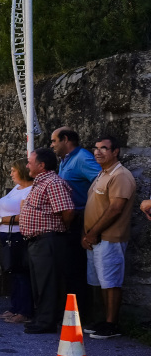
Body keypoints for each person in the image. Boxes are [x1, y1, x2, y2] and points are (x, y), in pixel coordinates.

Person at [81, 135, 137, 339]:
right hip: (95, 238)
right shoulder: (103, 173)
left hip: (109, 237)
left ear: (115, 151)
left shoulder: (120, 175)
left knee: (111, 282)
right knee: (101, 282)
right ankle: (104, 320)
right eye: (95, 148)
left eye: (104, 148)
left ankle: (112, 324)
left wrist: (93, 233)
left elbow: (115, 209)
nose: (97, 152)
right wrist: (87, 234)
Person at [18, 148, 76, 334]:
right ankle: (41, 318)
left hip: (48, 239)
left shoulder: (53, 182)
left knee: (47, 283)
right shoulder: (40, 182)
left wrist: (62, 229)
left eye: (30, 162)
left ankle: (47, 322)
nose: (27, 165)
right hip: (38, 240)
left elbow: (67, 210)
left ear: (41, 165)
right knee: (39, 282)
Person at [51, 127, 101, 324]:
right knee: (68, 269)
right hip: (70, 218)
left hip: (79, 217)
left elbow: (102, 183)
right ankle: (70, 314)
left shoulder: (82, 158)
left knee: (76, 270)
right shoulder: (65, 161)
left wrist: (90, 211)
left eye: (54, 141)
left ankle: (81, 316)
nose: (52, 145)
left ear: (65, 139)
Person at [0, 159, 34, 324]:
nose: (10, 173)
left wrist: (1, 219)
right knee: (13, 273)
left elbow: (24, 216)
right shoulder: (17, 188)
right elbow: (6, 206)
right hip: (6, 235)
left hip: (17, 235)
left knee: (21, 273)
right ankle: (15, 307)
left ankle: (24, 311)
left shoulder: (29, 190)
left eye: (13, 170)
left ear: (22, 171)